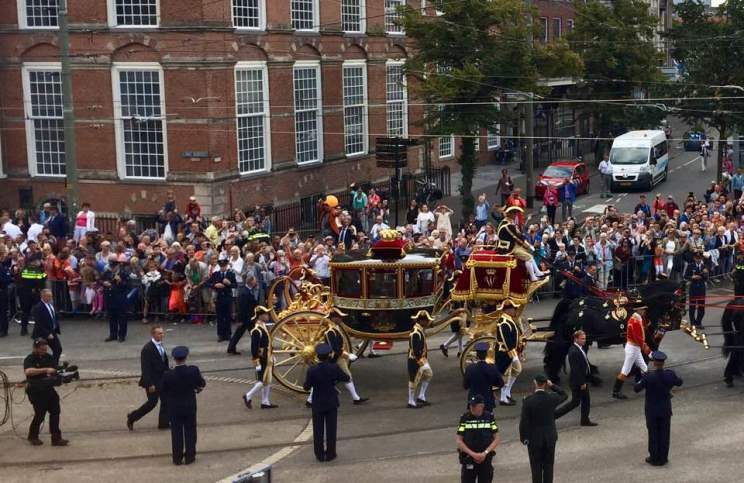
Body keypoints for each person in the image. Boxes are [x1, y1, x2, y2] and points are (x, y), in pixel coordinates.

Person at [308, 308, 367, 405]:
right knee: (325, 379)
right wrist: (347, 356)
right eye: (339, 317)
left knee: (346, 376)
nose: (341, 319)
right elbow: (334, 348)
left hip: (337, 358)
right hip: (333, 358)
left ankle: (356, 398)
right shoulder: (330, 331)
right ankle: (310, 400)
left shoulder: (335, 328)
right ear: (334, 318)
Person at [634, 351, 683, 466]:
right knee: (665, 433)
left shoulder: (648, 377)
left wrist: (642, 378)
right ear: (663, 363)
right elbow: (680, 382)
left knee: (653, 433)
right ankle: (663, 457)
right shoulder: (670, 374)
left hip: (651, 410)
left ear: (654, 363)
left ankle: (654, 457)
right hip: (665, 409)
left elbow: (636, 388)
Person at [303, 343, 351, 462]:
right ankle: (330, 453)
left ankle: (319, 454)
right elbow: (346, 378)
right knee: (331, 429)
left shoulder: (312, 370)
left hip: (318, 402)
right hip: (331, 401)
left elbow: (306, 387)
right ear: (329, 355)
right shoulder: (334, 368)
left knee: (318, 430)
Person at [160, 346, 206, 465]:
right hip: (189, 406)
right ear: (186, 357)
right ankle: (190, 456)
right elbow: (202, 383)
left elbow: (163, 390)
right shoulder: (193, 370)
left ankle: (177, 458)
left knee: (176, 433)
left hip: (174, 407)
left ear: (174, 359)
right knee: (190, 431)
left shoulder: (168, 374)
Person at [519, 374, 567, 483]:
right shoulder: (552, 398)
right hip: (550, 437)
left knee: (536, 467)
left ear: (535, 383)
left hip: (534, 439)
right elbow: (564, 395)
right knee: (549, 466)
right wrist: (553, 386)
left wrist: (524, 438)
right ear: (545, 384)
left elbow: (524, 422)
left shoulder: (528, 401)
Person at [24, 338, 68, 446]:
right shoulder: (30, 358)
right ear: (35, 348)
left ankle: (56, 438)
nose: (44, 351)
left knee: (55, 412)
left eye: (45, 349)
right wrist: (45, 370)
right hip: (36, 390)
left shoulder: (48, 357)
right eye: (42, 349)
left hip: (48, 389)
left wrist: (61, 373)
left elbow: (54, 369)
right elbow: (28, 371)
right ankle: (33, 436)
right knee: (40, 415)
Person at [127, 325, 170, 431]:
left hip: (163, 379)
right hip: (153, 381)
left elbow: (163, 362)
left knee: (166, 400)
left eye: (162, 333)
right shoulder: (147, 349)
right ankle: (132, 417)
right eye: (159, 333)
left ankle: (163, 423)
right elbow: (145, 368)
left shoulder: (160, 345)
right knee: (152, 403)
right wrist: (150, 384)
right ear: (153, 334)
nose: (162, 335)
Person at [554, 330, 597, 427]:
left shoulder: (578, 348)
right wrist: (582, 382)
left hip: (579, 380)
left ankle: (584, 419)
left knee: (576, 402)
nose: (584, 340)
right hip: (578, 382)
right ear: (576, 339)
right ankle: (584, 420)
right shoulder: (574, 351)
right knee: (581, 401)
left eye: (585, 338)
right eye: (582, 339)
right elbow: (576, 369)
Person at [456, 394, 501, 483]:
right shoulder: (465, 418)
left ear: (481, 406)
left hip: (485, 458)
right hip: (469, 458)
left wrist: (485, 453)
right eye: (471, 405)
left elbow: (497, 438)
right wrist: (473, 454)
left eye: (474, 406)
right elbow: (459, 440)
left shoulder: (489, 417)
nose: (471, 408)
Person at [496, 206, 547, 282]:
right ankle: (533, 277)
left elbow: (520, 235)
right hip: (506, 248)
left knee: (528, 253)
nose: (515, 215)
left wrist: (529, 245)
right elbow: (517, 237)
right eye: (514, 213)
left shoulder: (509, 222)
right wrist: (529, 246)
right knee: (528, 257)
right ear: (509, 214)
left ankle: (538, 272)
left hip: (512, 244)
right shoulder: (508, 225)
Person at [242, 306, 277, 409]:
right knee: (262, 381)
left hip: (267, 356)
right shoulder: (257, 330)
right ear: (261, 316)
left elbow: (268, 344)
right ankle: (248, 395)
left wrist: (272, 355)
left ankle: (265, 401)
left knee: (268, 380)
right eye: (266, 314)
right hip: (262, 358)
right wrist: (256, 361)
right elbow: (254, 347)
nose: (268, 316)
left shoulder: (263, 326)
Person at [612, 305, 650, 399]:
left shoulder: (636, 319)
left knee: (644, 367)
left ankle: (649, 385)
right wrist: (647, 349)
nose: (644, 311)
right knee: (626, 370)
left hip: (634, 348)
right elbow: (638, 338)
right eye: (643, 309)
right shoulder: (635, 321)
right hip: (633, 349)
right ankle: (616, 391)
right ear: (639, 310)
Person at [463, 341, 504, 413]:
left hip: (473, 402)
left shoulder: (470, 368)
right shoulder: (492, 367)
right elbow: (501, 383)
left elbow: (465, 386)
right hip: (487, 401)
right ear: (486, 354)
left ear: (476, 355)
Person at [227, 275, 260, 354]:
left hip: (248, 317)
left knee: (239, 333)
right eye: (255, 280)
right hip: (246, 318)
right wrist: (240, 320)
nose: (256, 282)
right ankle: (255, 350)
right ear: (251, 282)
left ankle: (231, 348)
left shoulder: (246, 290)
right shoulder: (244, 293)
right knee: (254, 334)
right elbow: (242, 308)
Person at [407, 310, 434, 408]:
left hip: (422, 359)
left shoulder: (420, 330)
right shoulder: (415, 332)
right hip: (416, 360)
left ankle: (421, 396)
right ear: (422, 321)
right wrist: (420, 361)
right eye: (426, 321)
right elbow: (415, 349)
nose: (427, 323)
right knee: (414, 380)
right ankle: (410, 401)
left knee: (429, 374)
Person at [102, 254, 129, 342]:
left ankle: (121, 335)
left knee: (122, 317)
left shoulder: (123, 273)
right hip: (110, 298)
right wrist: (104, 283)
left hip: (120, 298)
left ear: (117, 266)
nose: (112, 268)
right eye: (111, 266)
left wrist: (120, 281)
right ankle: (113, 334)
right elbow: (101, 279)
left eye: (114, 266)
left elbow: (127, 285)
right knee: (112, 317)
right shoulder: (107, 273)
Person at [30, 289, 62, 364]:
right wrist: (47, 333)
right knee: (39, 352)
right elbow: (38, 323)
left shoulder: (50, 305)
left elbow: (53, 317)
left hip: (52, 331)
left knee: (58, 349)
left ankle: (53, 365)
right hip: (42, 333)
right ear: (43, 296)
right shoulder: (38, 307)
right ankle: (37, 365)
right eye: (48, 296)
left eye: (51, 296)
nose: (50, 298)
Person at [209, 258, 236, 342]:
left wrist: (229, 283)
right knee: (220, 317)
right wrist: (215, 285)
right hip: (219, 297)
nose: (223, 267)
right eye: (221, 266)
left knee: (227, 316)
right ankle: (220, 334)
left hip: (227, 297)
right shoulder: (216, 274)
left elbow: (235, 285)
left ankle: (228, 334)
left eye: (224, 266)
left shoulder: (230, 274)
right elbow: (209, 283)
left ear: (227, 266)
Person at [684, 250, 708, 328]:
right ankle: (693, 323)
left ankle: (699, 322)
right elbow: (685, 276)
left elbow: (707, 278)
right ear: (694, 258)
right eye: (697, 258)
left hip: (701, 288)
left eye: (700, 258)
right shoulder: (690, 265)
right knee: (692, 307)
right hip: (693, 288)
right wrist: (692, 277)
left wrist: (704, 274)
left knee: (701, 307)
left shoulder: (704, 266)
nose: (698, 259)